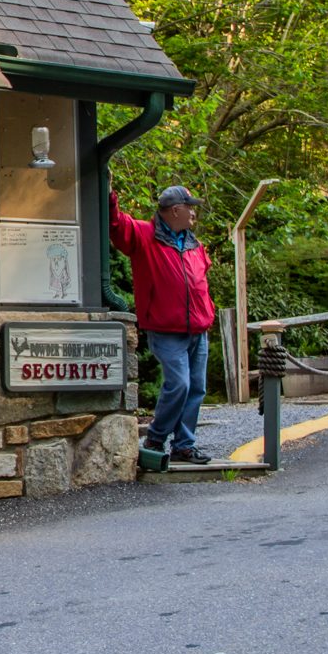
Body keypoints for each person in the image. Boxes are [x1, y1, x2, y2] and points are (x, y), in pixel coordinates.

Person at [109, 184, 217, 464]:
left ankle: (183, 446)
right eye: (190, 207)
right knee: (179, 384)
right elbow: (116, 225)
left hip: (198, 330)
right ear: (175, 210)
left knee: (196, 388)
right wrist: (109, 195)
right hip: (166, 330)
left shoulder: (194, 243)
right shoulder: (145, 235)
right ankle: (155, 439)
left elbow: (199, 282)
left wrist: (208, 312)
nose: (194, 213)